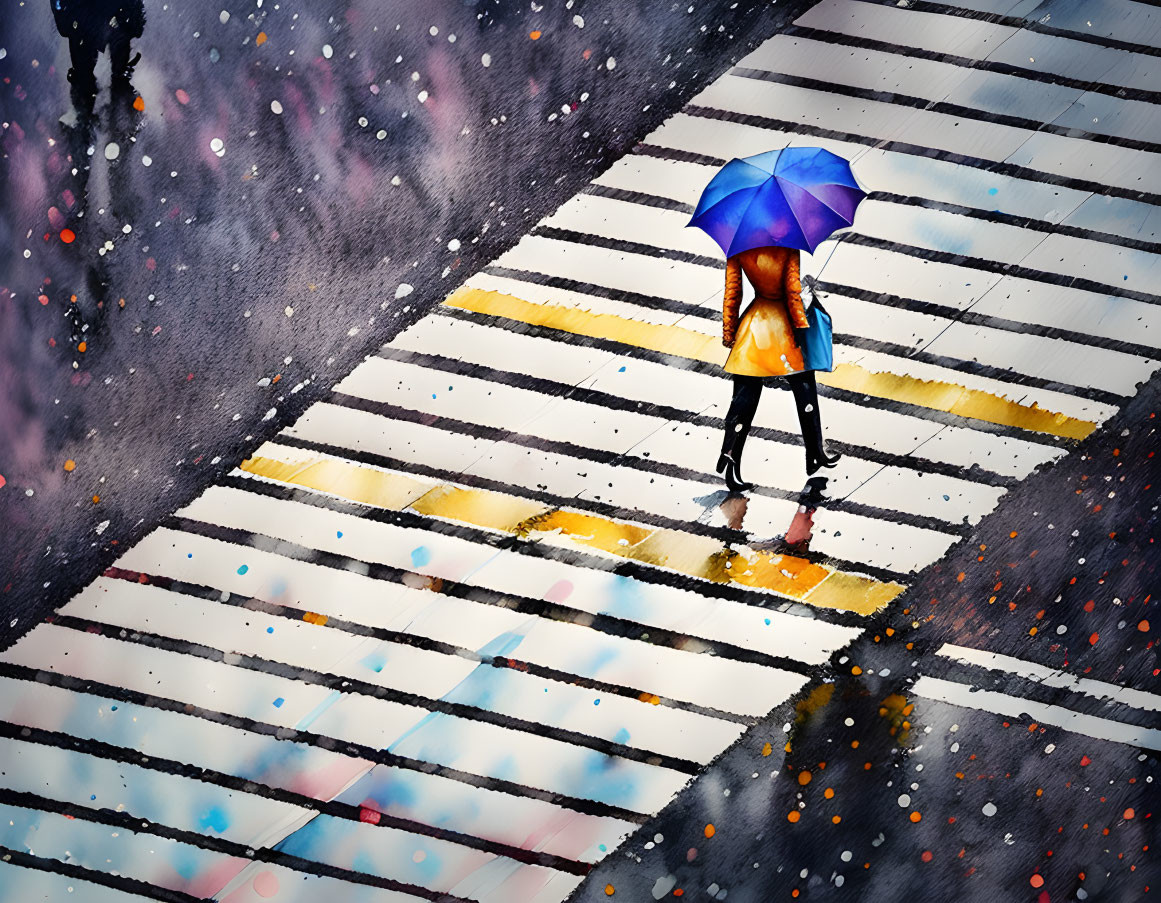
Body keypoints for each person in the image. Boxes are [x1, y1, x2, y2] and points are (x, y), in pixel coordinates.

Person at [717, 246, 840, 492]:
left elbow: (733, 293)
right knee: (805, 389)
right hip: (784, 329)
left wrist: (729, 333)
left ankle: (730, 457)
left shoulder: (739, 246)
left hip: (753, 329)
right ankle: (815, 453)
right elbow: (793, 293)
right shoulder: (787, 246)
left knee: (743, 401)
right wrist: (801, 327)